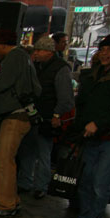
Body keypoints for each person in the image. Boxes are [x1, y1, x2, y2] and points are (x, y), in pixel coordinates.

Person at [66, 34, 110, 218]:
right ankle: (83, 217)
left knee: (101, 181)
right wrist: (80, 127)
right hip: (89, 136)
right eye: (103, 49)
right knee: (86, 179)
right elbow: (83, 104)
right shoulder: (92, 75)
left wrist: (99, 124)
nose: (105, 53)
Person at [0, 28, 41, 217]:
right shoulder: (24, 57)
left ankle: (5, 204)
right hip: (22, 115)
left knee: (4, 162)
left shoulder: (14, 57)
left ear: (2, 44)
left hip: (15, 116)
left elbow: (1, 84)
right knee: (10, 161)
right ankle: (11, 199)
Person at [17, 36, 74, 199]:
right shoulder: (36, 65)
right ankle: (24, 182)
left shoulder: (61, 68)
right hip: (32, 115)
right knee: (27, 151)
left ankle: (41, 186)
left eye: (39, 50)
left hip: (48, 117)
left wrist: (57, 114)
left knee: (43, 153)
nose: (36, 53)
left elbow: (66, 97)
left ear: (49, 51)